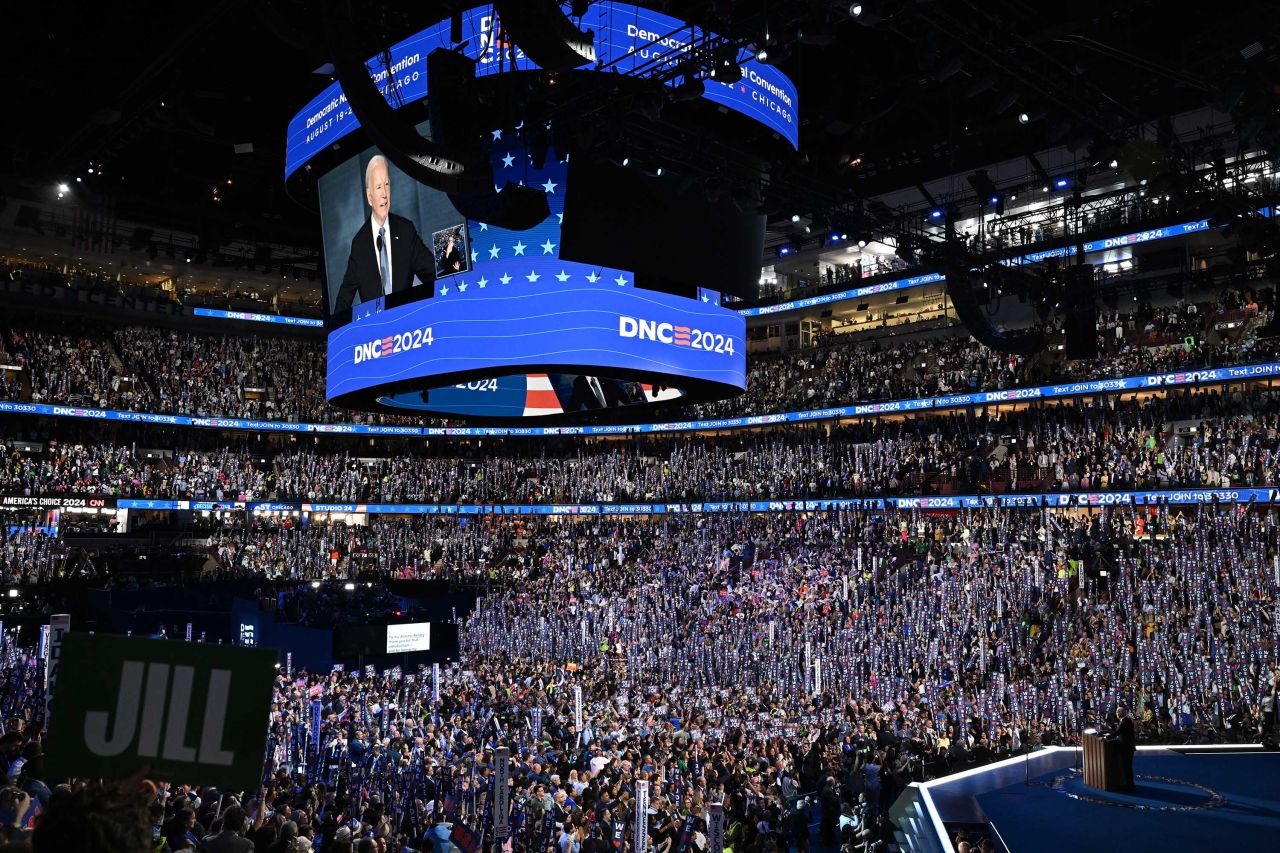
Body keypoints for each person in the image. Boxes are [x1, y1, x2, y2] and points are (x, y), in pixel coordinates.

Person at [333, 154, 436, 313]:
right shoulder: (359, 244)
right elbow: (344, 298)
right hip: (377, 332)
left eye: (387, 184)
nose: (384, 194)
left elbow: (432, 272)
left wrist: (452, 264)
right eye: (378, 187)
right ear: (369, 197)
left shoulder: (405, 230)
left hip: (406, 324)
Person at [1114, 705, 1136, 790]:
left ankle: (1129, 784)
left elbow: (1118, 732)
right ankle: (1128, 783)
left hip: (1127, 747)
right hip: (1127, 747)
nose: (1116, 713)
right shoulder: (1124, 720)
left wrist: (1107, 737)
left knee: (1127, 766)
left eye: (1117, 712)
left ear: (1121, 713)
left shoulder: (1125, 721)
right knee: (1126, 766)